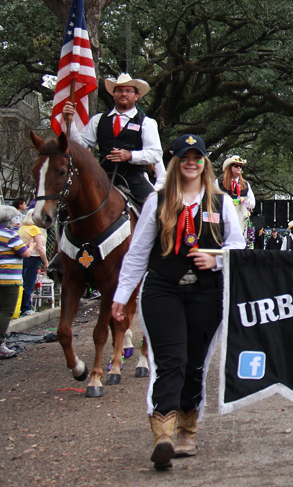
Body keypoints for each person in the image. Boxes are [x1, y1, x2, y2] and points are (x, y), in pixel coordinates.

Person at [111, 134, 245, 470]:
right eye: (184, 157)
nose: (190, 163)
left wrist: (215, 259)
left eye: (196, 157)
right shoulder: (157, 202)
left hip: (206, 292)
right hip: (163, 289)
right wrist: (120, 296)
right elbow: (138, 253)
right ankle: (163, 434)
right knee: (171, 360)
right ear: (175, 162)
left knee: (194, 363)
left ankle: (188, 428)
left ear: (204, 163)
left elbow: (239, 247)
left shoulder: (220, 202)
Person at [64, 73, 162, 206]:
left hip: (134, 180)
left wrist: (130, 155)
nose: (124, 94)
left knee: (157, 207)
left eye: (128, 91)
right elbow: (80, 145)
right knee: (71, 204)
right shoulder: (98, 120)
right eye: (119, 90)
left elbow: (155, 154)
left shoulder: (146, 123)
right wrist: (70, 122)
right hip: (102, 178)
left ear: (136, 96)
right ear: (114, 94)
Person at [0, 206, 34, 357]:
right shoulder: (11, 234)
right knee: (7, 311)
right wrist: (31, 246)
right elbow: (25, 254)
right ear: (11, 219)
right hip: (8, 278)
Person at [217, 155, 256, 242]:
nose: (239, 168)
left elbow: (252, 202)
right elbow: (212, 199)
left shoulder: (245, 185)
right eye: (236, 165)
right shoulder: (219, 182)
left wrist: (244, 202)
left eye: (240, 166)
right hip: (223, 219)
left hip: (240, 220)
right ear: (229, 167)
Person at [17, 211, 47, 316]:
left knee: (24, 281)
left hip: (23, 257)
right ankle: (26, 308)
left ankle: (21, 306)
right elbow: (39, 248)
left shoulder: (22, 228)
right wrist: (46, 262)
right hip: (34, 257)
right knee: (29, 283)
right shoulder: (34, 229)